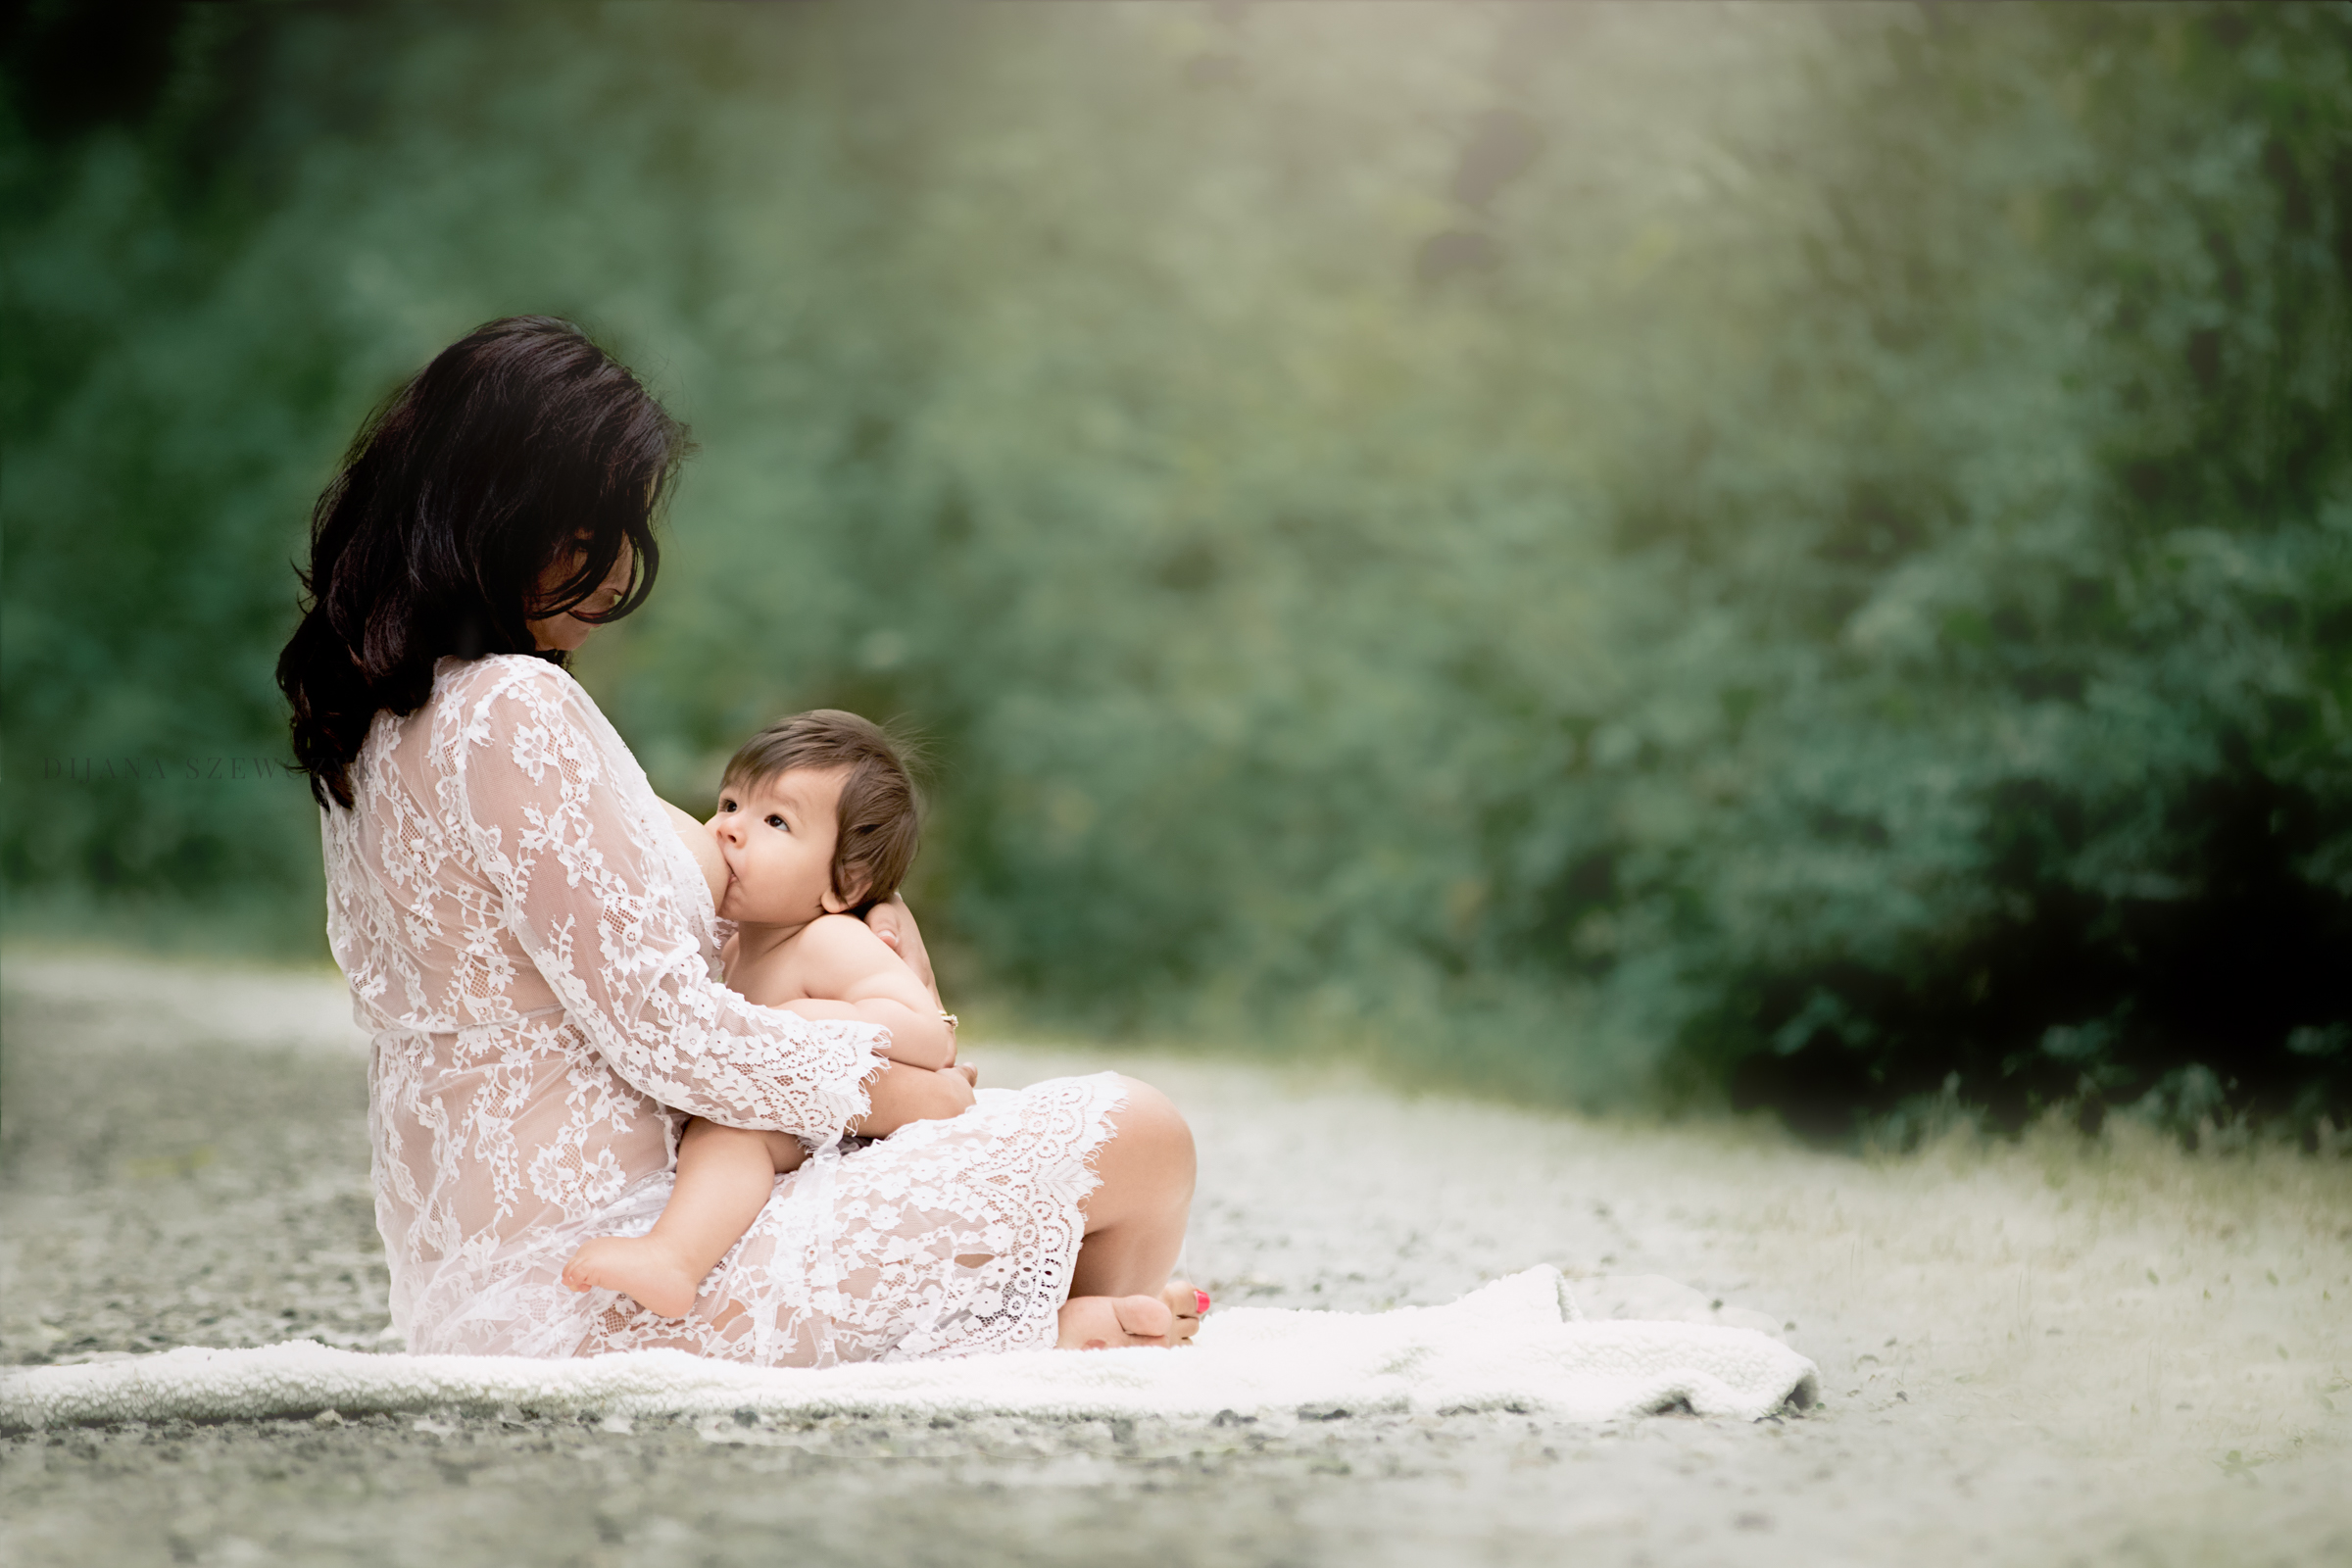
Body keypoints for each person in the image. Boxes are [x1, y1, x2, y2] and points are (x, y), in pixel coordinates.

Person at [277, 315, 1200, 1364]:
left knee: (1077, 1162)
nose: (617, 564)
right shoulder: (508, 707)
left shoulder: (380, 726)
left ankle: (1040, 1327)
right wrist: (899, 1081)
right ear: (505, 514)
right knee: (1142, 1133)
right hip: (606, 1270)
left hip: (493, 1279)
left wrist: (835, 971)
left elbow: (579, 986)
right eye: (591, 527)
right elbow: (667, 1031)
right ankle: (1048, 1334)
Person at [559, 710, 1207, 1345]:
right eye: (729, 804)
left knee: (731, 1129)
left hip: (853, 1141)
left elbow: (927, 1034)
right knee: (732, 1126)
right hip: (806, 1147)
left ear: (845, 884)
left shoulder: (829, 940)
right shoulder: (733, 947)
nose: (729, 830)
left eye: (775, 820)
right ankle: (1074, 1321)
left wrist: (819, 1019)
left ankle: (675, 1257)